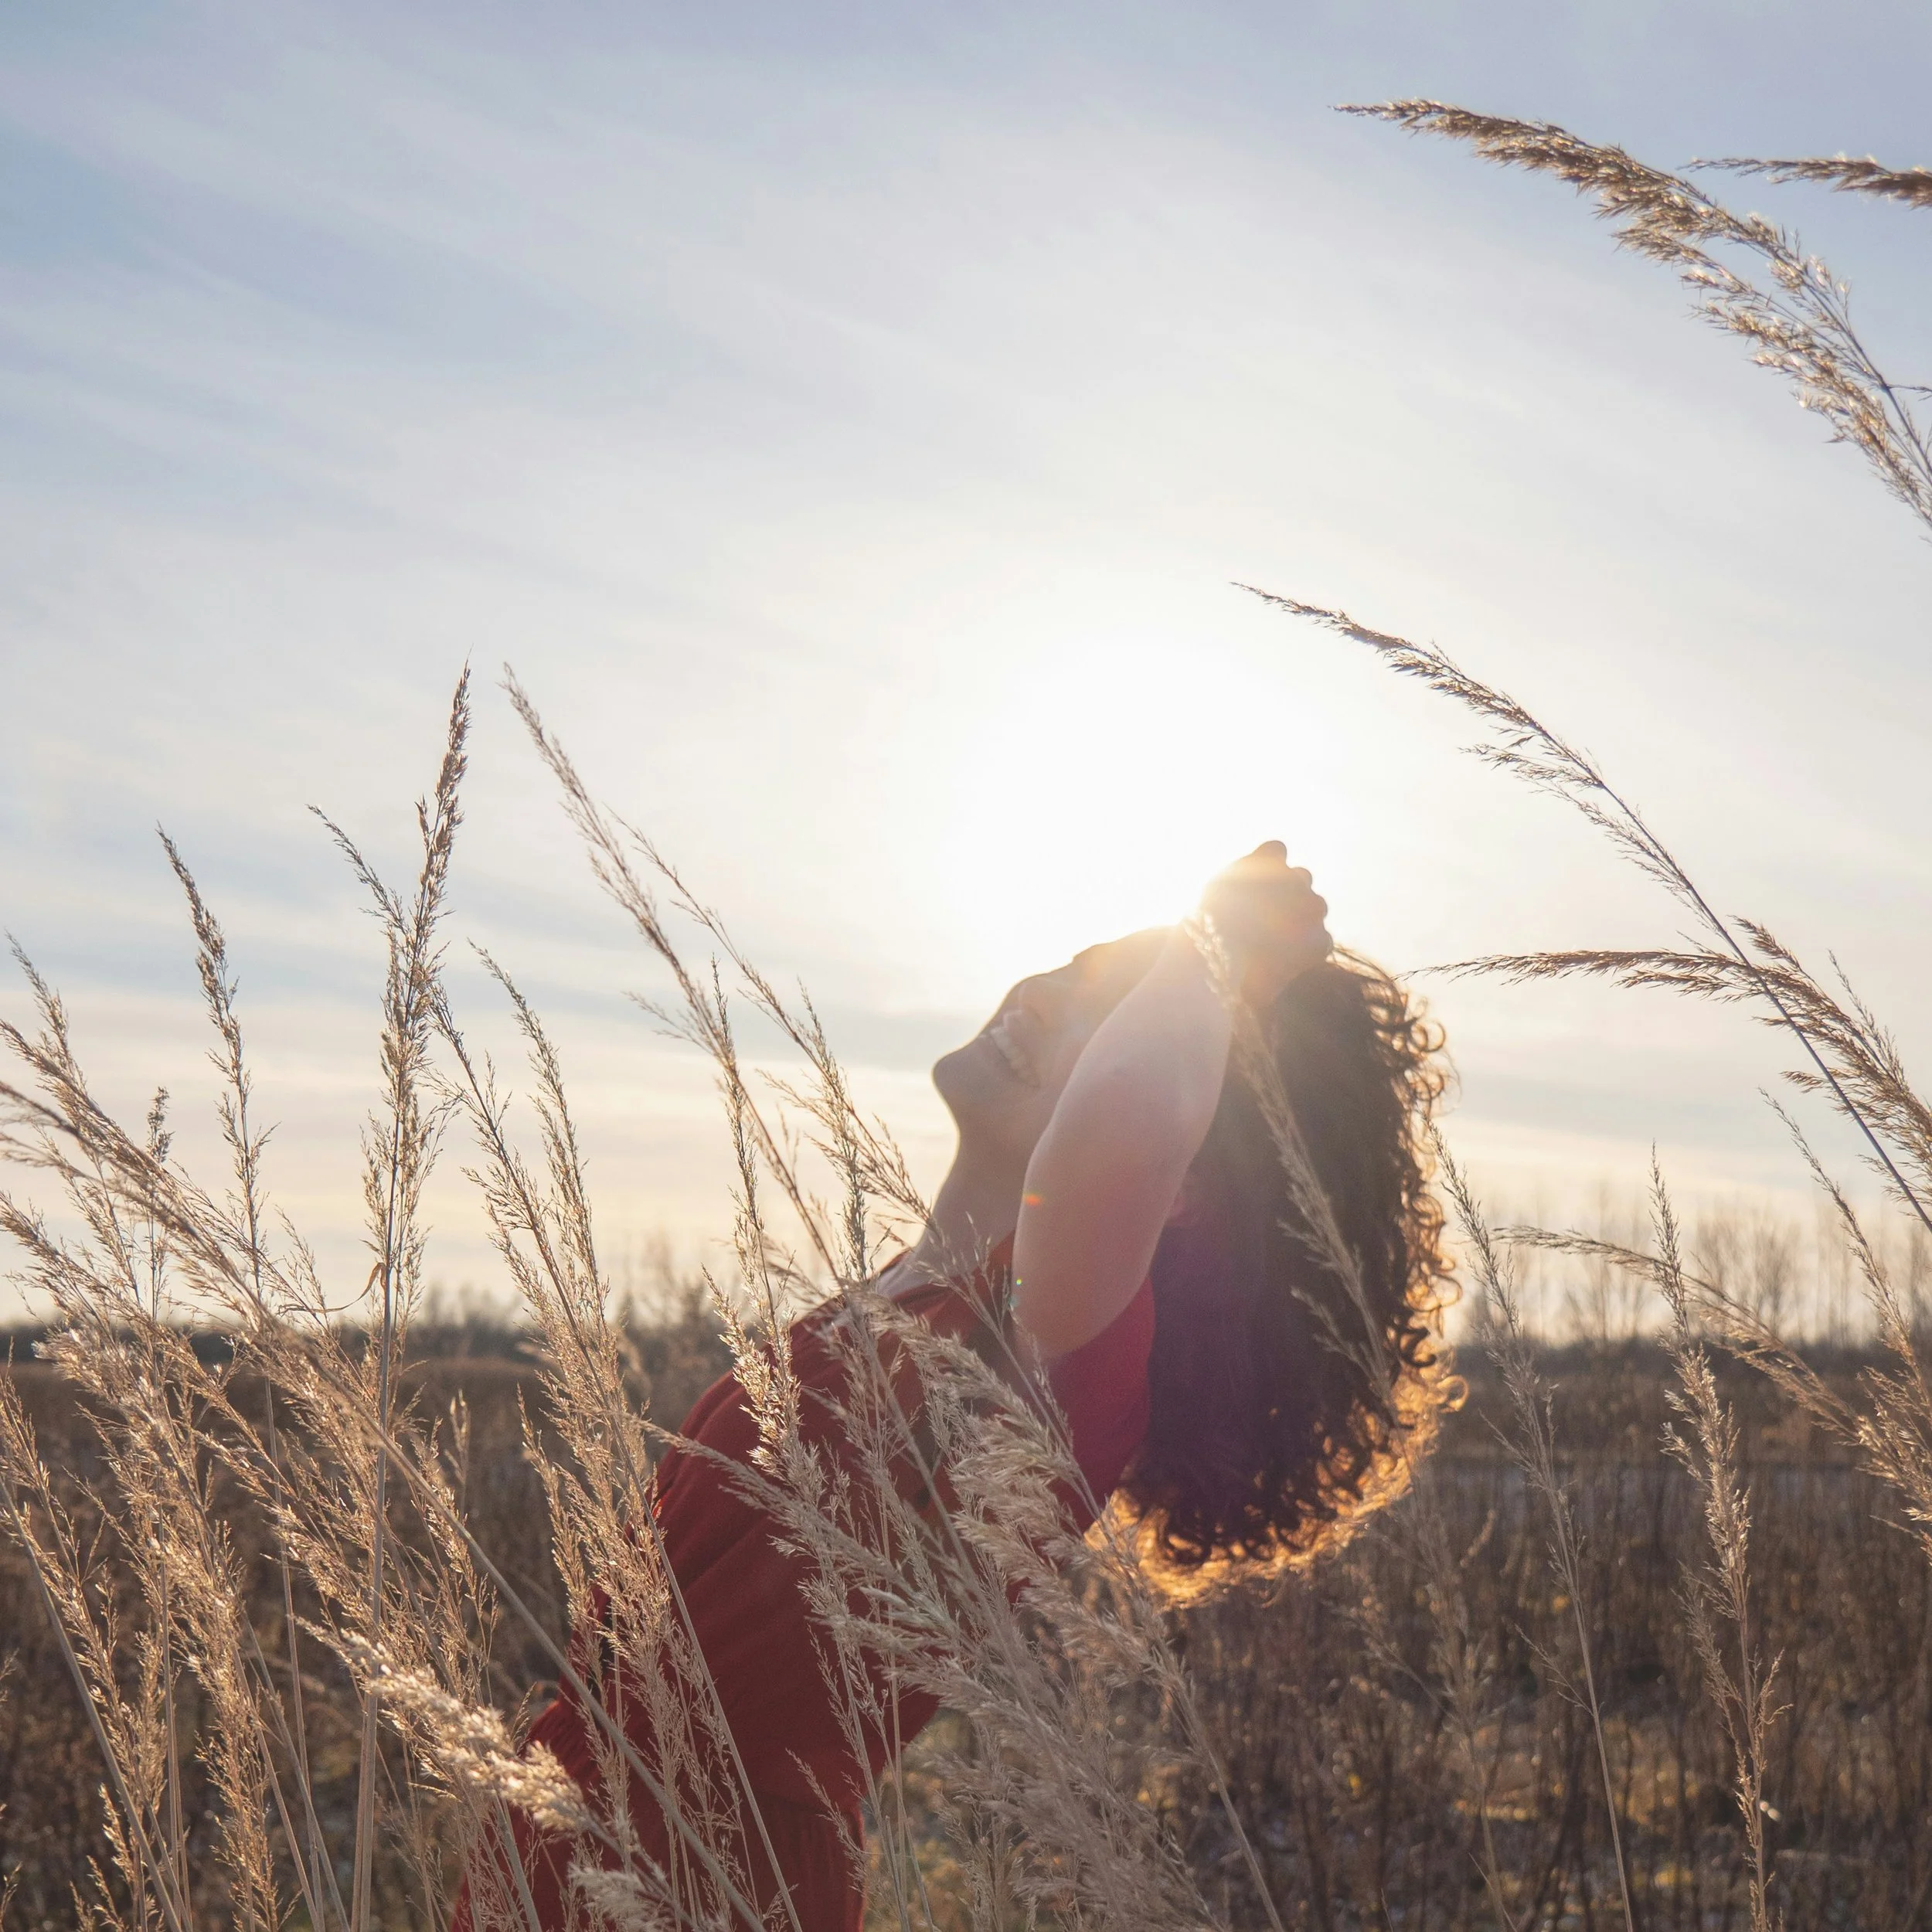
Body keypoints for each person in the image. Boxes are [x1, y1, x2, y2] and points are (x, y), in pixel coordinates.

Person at [458, 842, 1453, 1931]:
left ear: (1185, 1188)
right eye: (1077, 964)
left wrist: (1220, 957)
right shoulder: (898, 1296)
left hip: (712, 1876)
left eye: (1112, 1010)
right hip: (582, 1840)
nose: (1042, 996)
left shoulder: (1060, 1351)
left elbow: (1126, 1113)